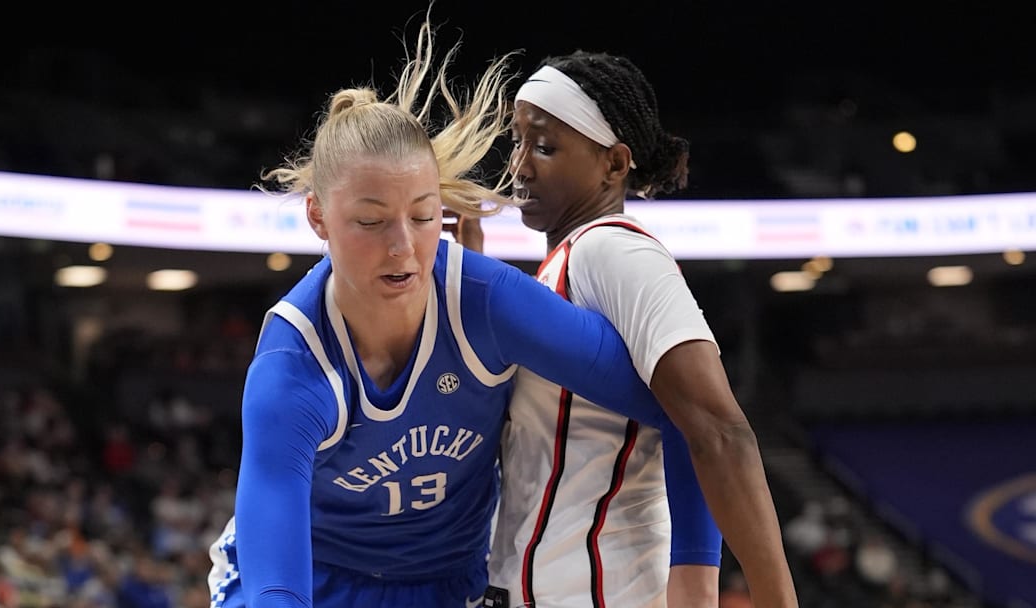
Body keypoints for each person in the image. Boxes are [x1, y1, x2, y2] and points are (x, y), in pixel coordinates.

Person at [205, 15, 711, 608]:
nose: (402, 246)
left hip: (455, 584)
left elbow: (688, 411)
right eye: (371, 221)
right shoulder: (293, 368)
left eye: (423, 216)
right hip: (318, 578)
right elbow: (278, 590)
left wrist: (694, 572)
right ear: (317, 216)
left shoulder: (485, 302)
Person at [484, 51, 800, 608]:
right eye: (518, 142)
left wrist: (768, 598)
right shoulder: (567, 260)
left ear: (614, 163)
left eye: (544, 146)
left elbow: (717, 429)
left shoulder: (614, 249)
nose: (521, 166)